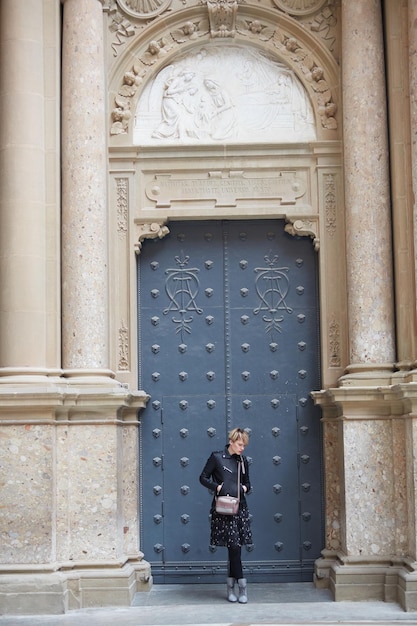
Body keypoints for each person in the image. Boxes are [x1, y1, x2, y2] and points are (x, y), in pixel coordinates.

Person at [199, 427, 253, 603]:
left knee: (235, 547)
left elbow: (248, 484)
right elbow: (203, 477)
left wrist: (243, 489)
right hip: (224, 508)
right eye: (239, 444)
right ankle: (242, 588)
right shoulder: (217, 457)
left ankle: (231, 588)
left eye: (244, 445)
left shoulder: (243, 461)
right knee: (234, 547)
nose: (242, 448)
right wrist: (218, 487)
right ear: (231, 442)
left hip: (240, 508)